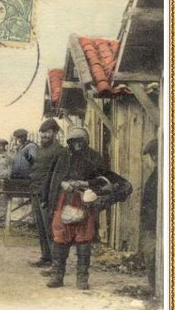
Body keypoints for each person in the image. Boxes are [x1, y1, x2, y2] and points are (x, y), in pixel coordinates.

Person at [44, 127, 131, 289]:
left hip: (85, 200)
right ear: (69, 142)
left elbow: (103, 179)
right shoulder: (63, 156)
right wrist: (63, 183)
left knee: (84, 236)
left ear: (86, 141)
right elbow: (54, 178)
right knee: (61, 235)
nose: (77, 144)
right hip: (64, 200)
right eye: (74, 141)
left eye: (80, 141)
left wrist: (84, 184)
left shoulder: (94, 157)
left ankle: (82, 279)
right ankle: (57, 276)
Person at [28, 118, 66, 270]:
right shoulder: (40, 150)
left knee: (51, 228)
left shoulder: (60, 151)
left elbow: (58, 176)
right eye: (42, 133)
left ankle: (55, 263)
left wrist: (51, 195)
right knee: (41, 228)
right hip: (36, 193)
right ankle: (46, 258)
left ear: (55, 133)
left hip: (49, 196)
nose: (44, 136)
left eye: (47, 132)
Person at [140, 138, 158, 293]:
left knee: (153, 257)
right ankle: (156, 290)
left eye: (146, 158)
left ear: (155, 157)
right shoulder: (155, 175)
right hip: (151, 225)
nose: (145, 163)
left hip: (155, 226)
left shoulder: (161, 176)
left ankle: (158, 292)